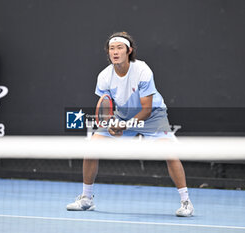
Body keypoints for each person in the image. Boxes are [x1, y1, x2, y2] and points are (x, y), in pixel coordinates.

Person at [66, 32, 194, 217]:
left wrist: (124, 126)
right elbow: (106, 107)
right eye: (112, 48)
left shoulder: (142, 70)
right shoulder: (104, 77)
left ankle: (186, 202)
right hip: (123, 113)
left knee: (170, 153)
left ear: (129, 51)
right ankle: (86, 199)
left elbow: (146, 109)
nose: (115, 52)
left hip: (152, 116)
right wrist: (111, 124)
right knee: (91, 147)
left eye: (120, 48)